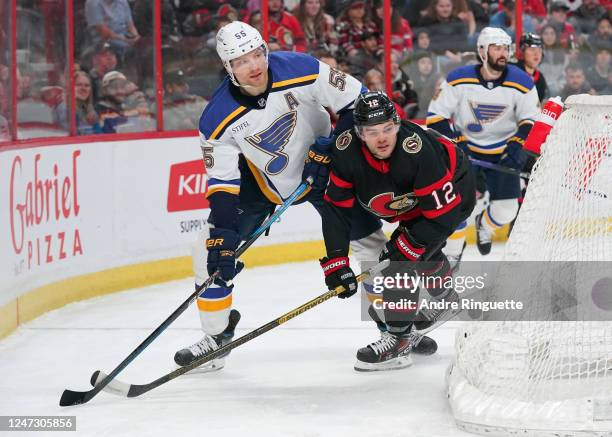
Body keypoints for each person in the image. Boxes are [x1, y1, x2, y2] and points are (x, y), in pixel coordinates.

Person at [174, 21, 386, 371]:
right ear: (228, 68)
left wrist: (333, 149)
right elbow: (223, 183)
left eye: (257, 54)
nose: (255, 66)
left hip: (327, 170)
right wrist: (224, 237)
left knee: (370, 241)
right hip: (262, 183)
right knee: (207, 248)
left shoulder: (302, 68)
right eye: (242, 61)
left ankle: (396, 327)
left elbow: (358, 101)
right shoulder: (216, 118)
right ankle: (217, 336)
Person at [318, 91, 476, 371]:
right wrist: (335, 260)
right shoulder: (345, 152)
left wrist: (409, 244)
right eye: (372, 131)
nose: (382, 138)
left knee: (398, 261)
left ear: (397, 125)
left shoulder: (416, 151)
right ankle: (446, 297)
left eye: (388, 129)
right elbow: (336, 210)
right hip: (414, 203)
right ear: (358, 133)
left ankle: (399, 340)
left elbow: (443, 215)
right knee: (418, 250)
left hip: (455, 191)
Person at [427, 27, 539, 259]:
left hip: (503, 152)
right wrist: (458, 148)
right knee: (457, 209)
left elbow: (531, 118)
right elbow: (435, 117)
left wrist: (518, 144)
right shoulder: (458, 79)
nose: (502, 53)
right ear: (481, 50)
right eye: (496, 48)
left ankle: (484, 226)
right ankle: (453, 255)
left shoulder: (523, 82)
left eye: (506, 48)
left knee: (507, 210)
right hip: (465, 152)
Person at [513, 32, 549, 102]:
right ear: (523, 51)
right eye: (532, 50)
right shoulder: (513, 71)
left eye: (539, 50)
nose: (536, 54)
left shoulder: (540, 79)